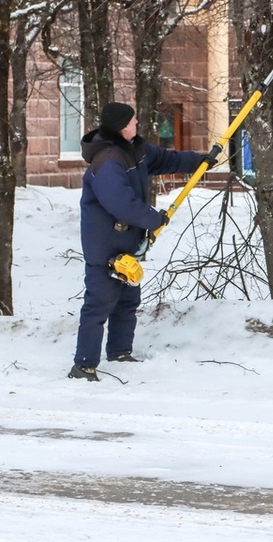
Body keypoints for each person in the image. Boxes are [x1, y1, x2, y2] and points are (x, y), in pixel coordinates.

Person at [68, 101, 210, 382]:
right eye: (133, 121)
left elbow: (166, 160)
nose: (137, 124)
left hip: (126, 242)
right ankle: (83, 366)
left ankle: (120, 351)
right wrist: (152, 218)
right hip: (105, 243)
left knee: (127, 298)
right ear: (123, 127)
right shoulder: (107, 160)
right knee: (99, 302)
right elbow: (119, 202)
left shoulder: (133, 150)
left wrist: (202, 159)